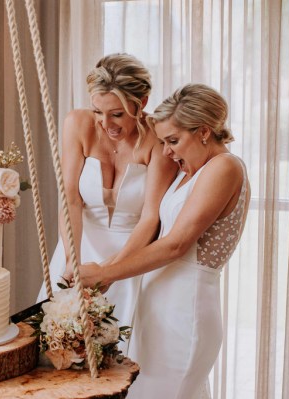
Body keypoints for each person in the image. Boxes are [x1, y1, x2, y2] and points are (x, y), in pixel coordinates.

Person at [74, 83, 250, 398]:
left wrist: (105, 274)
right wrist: (106, 268)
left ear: (204, 132)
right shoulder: (191, 171)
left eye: (173, 141)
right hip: (158, 309)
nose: (167, 152)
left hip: (186, 309)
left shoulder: (225, 167)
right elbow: (154, 227)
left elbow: (176, 245)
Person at [37, 53, 177, 355]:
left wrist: (110, 271)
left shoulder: (157, 139)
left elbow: (151, 217)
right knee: (62, 350)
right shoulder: (78, 124)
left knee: (121, 353)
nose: (105, 123)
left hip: (131, 255)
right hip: (78, 245)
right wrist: (74, 263)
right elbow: (71, 200)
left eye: (117, 114)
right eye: (97, 111)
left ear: (141, 103)